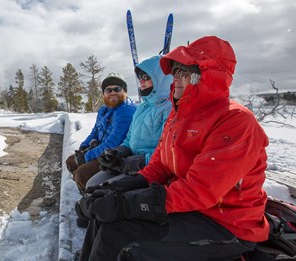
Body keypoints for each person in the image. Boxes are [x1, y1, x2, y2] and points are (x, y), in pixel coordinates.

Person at [75, 36, 269, 261]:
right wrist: (117, 188)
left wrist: (126, 205)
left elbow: (200, 190)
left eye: (185, 73)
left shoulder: (235, 121)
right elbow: (158, 166)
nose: (176, 79)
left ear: (209, 77)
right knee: (105, 216)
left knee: (119, 235)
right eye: (176, 72)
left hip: (226, 222)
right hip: (187, 207)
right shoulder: (180, 115)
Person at [86, 55, 172, 188]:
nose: (142, 81)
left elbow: (167, 152)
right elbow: (129, 138)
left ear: (161, 79)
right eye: (140, 78)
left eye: (147, 77)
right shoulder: (142, 107)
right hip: (130, 162)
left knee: (101, 191)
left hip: (150, 168)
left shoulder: (168, 108)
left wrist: (128, 163)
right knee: (92, 184)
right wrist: (119, 152)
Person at [66, 73, 136, 193]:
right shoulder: (104, 110)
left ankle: (93, 196)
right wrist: (84, 146)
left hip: (115, 155)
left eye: (117, 89)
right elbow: (95, 132)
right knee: (71, 161)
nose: (113, 92)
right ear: (104, 93)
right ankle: (85, 189)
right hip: (100, 149)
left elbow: (114, 142)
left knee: (81, 174)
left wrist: (87, 156)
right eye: (108, 90)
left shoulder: (126, 111)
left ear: (125, 91)